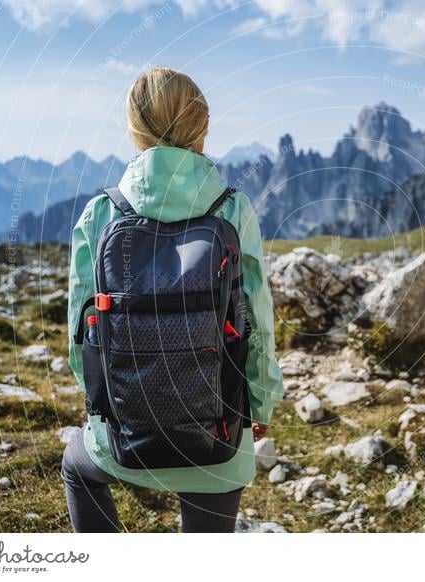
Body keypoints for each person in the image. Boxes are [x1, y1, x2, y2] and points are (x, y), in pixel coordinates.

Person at [61, 67, 283, 533]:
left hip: (125, 436)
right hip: (218, 432)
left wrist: (105, 408)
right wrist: (258, 407)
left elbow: (82, 333)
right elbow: (256, 322)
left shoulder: (101, 212)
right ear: (201, 127)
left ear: (135, 129)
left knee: (78, 469)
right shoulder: (232, 209)